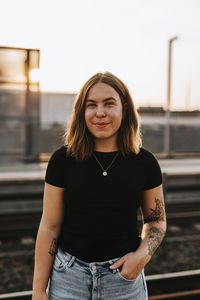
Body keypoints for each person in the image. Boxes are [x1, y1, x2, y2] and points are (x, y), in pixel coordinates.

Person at [32, 71, 166, 300]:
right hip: (68, 280)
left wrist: (140, 258)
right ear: (82, 112)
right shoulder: (62, 161)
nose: (100, 112)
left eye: (109, 103)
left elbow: (156, 221)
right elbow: (50, 226)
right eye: (91, 105)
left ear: (124, 108)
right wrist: (38, 290)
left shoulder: (144, 163)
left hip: (123, 281)